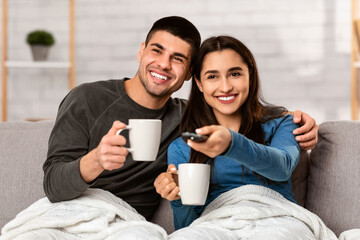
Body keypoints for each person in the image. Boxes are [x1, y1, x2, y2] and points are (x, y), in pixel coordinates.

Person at [43, 16, 317, 222]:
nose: (163, 64)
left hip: (130, 224)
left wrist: (300, 120)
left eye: (177, 58)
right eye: (156, 50)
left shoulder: (188, 122)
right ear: (141, 51)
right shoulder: (87, 98)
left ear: (188, 74)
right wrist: (97, 160)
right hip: (74, 209)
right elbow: (54, 186)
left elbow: (236, 114)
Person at [154, 36, 322, 239]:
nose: (225, 87)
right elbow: (188, 226)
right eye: (212, 77)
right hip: (215, 224)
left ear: (250, 75)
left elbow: (281, 168)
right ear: (199, 83)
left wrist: (231, 143)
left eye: (234, 74)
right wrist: (178, 198)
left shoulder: (282, 123)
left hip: (278, 220)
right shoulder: (182, 147)